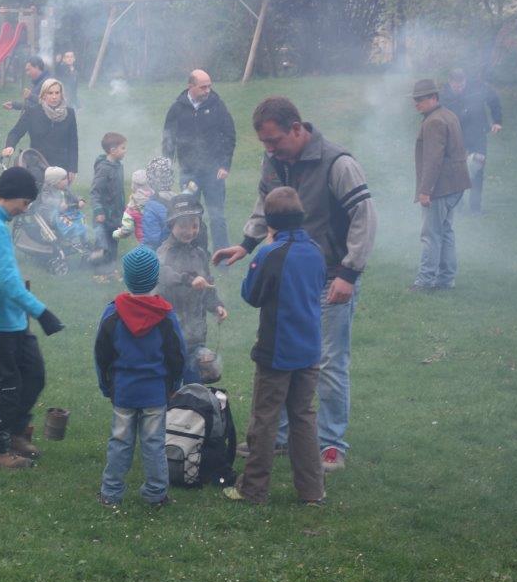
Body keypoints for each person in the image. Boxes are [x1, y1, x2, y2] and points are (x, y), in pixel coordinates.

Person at [213, 96, 377, 472]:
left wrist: (348, 273)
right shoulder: (273, 160)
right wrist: (247, 243)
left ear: (298, 129)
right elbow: (265, 204)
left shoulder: (338, 163)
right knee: (282, 353)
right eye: (264, 143)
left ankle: (331, 444)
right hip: (288, 275)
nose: (270, 149)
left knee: (329, 360)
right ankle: (280, 436)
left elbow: (364, 217)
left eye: (275, 141)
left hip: (332, 276)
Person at [223, 187, 326, 505]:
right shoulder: (316, 251)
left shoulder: (270, 254)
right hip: (309, 348)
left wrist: (263, 251)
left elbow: (251, 295)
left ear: (270, 222)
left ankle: (253, 489)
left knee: (265, 419)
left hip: (277, 349)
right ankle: (312, 490)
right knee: (303, 417)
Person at [0, 167, 65, 469]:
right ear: (13, 196)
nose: (25, 209)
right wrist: (42, 312)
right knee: (8, 384)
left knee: (33, 375)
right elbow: (6, 281)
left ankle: (15, 433)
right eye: (25, 202)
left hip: (11, 319)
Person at [94, 245, 186, 507]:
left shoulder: (113, 313)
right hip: (155, 392)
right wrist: (174, 384)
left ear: (126, 277)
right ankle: (156, 493)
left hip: (123, 390)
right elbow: (177, 354)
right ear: (156, 277)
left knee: (120, 442)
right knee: (154, 443)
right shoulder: (165, 315)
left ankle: (111, 493)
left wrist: (106, 386)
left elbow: (101, 355)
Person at [162, 69, 236, 253]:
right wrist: (167, 163)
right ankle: (192, 254)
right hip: (188, 173)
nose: (207, 90)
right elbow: (168, 138)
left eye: (209, 86)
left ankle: (222, 256)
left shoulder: (217, 106)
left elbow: (229, 136)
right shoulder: (177, 108)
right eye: (203, 87)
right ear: (191, 86)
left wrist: (225, 165)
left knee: (217, 216)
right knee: (188, 216)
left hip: (213, 173)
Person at [157, 198, 227, 384]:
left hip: (196, 334)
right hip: (170, 333)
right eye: (183, 226)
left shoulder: (200, 254)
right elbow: (162, 274)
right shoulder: (164, 252)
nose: (189, 231)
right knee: (171, 384)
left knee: (194, 386)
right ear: (172, 225)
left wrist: (216, 305)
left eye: (194, 226)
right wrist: (188, 279)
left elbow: (208, 287)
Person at [410, 79, 470, 293]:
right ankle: (446, 280)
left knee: (431, 235)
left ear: (434, 98)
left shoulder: (434, 121)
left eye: (420, 99)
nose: (416, 103)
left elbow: (433, 160)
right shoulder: (448, 115)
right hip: (455, 184)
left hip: (440, 187)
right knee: (445, 232)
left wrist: (425, 190)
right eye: (415, 99)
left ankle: (425, 282)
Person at [440, 68, 502, 216]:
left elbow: (493, 99)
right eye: (456, 87)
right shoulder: (443, 96)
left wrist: (497, 121)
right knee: (456, 170)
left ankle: (475, 208)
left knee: (478, 169)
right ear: (450, 83)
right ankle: (457, 206)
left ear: (465, 81)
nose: (459, 89)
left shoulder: (478, 87)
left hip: (478, 133)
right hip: (456, 136)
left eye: (461, 85)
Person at [1, 78, 79, 184]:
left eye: (57, 93)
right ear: (43, 95)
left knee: (60, 192)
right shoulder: (32, 112)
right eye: (50, 93)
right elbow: (16, 132)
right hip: (37, 164)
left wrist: (73, 168)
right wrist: (10, 146)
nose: (54, 97)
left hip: (61, 166)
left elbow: (73, 143)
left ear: (61, 94)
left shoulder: (69, 113)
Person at [88, 132, 126, 275]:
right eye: (123, 148)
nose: (125, 151)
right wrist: (98, 211)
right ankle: (98, 270)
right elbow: (95, 191)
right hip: (104, 215)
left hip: (116, 214)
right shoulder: (104, 168)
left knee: (114, 241)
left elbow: (119, 191)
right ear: (113, 150)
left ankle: (111, 270)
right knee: (103, 245)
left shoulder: (118, 166)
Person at [40, 165, 87, 245]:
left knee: (81, 218)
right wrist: (58, 203)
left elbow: (74, 196)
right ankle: (72, 238)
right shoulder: (47, 191)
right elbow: (46, 200)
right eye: (64, 179)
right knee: (67, 222)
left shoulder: (65, 189)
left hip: (66, 212)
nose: (67, 180)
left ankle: (84, 240)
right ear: (55, 182)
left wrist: (80, 200)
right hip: (51, 215)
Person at [142, 156, 177, 250]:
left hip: (161, 253)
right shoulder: (179, 200)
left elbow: (152, 239)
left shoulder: (151, 206)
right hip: (180, 251)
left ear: (150, 180)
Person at [113, 169, 151, 243]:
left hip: (144, 243)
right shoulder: (157, 198)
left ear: (133, 185)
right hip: (162, 242)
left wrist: (115, 233)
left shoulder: (132, 207)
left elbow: (127, 230)